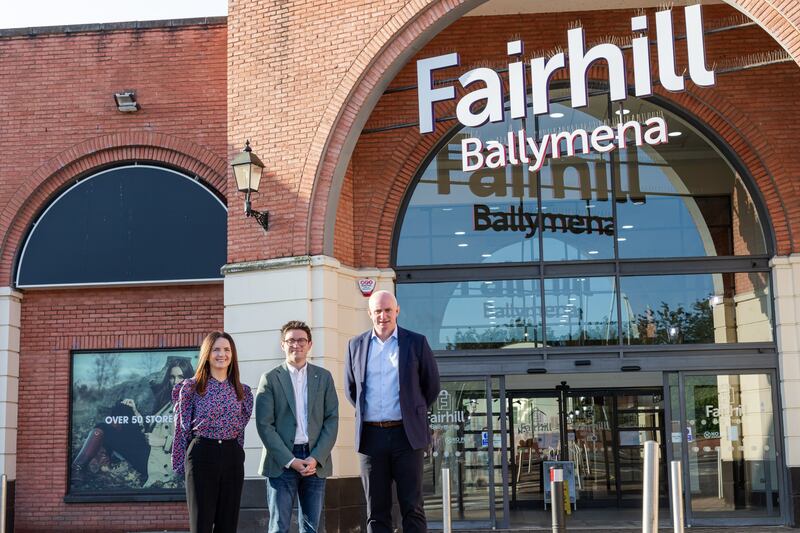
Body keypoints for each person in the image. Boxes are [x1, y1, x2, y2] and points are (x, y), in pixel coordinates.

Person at [345, 290, 441, 533]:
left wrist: (411, 412)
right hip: (371, 437)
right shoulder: (355, 345)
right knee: (376, 510)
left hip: (407, 436)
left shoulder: (416, 342)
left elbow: (431, 386)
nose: (383, 315)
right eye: (377, 311)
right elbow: (351, 389)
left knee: (412, 506)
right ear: (369, 313)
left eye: (388, 310)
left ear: (397, 311)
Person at [255, 320, 339, 533]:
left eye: (302, 340)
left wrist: (316, 457)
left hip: (315, 461)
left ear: (310, 344)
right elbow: (265, 425)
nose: (296, 344)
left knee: (311, 528)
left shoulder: (324, 377)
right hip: (281, 462)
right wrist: (290, 460)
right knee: (279, 527)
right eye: (291, 340)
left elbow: (331, 419)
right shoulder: (270, 379)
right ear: (282, 344)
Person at [172, 331, 254, 533]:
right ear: (207, 354)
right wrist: (181, 463)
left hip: (232, 456)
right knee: (202, 524)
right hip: (202, 453)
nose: (222, 354)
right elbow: (182, 428)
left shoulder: (242, 391)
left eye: (227, 350)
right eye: (216, 349)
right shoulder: (191, 387)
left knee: (228, 525)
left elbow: (241, 428)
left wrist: (234, 454)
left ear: (232, 355)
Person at [71, 356, 194, 487]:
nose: (175, 381)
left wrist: (163, 442)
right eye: (172, 377)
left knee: (103, 428)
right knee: (123, 407)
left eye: (181, 377)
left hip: (158, 462)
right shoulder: (170, 402)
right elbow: (151, 430)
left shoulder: (191, 404)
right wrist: (135, 412)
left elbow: (194, 443)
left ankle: (80, 466)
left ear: (188, 379)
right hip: (150, 449)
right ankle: (103, 455)